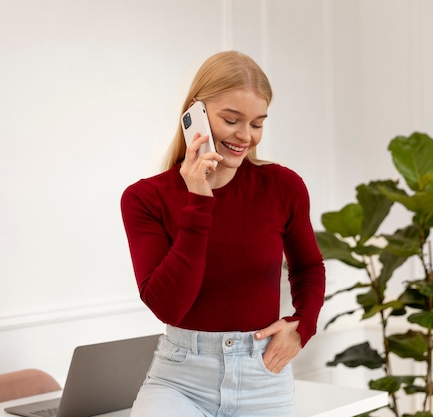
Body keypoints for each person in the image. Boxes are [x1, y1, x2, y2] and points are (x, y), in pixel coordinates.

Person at [120, 50, 326, 417]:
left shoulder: (282, 186)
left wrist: (303, 324)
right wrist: (199, 200)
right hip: (180, 380)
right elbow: (168, 306)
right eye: (232, 120)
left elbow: (308, 266)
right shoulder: (145, 199)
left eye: (258, 123)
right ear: (194, 115)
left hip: (263, 375)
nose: (245, 136)